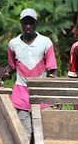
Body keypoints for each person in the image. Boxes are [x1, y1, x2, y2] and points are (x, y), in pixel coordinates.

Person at [7, 8, 58, 137]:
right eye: (25, 23)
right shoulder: (13, 44)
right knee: (26, 133)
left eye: (31, 23)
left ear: (36, 24)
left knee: (45, 132)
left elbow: (52, 70)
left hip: (42, 93)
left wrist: (56, 95)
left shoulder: (45, 42)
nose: (28, 26)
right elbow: (12, 67)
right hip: (21, 94)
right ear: (21, 23)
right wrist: (0, 71)